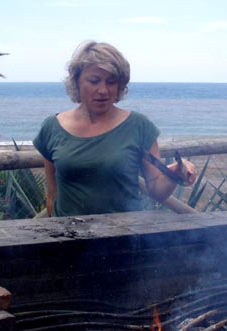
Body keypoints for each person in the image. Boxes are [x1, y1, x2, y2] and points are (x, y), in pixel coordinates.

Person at [33, 40, 196, 217]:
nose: (103, 90)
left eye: (111, 82)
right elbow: (52, 194)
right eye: (94, 81)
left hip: (124, 232)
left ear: (120, 85)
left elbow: (157, 189)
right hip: (69, 232)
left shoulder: (139, 126)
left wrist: (176, 173)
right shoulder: (52, 128)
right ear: (77, 81)